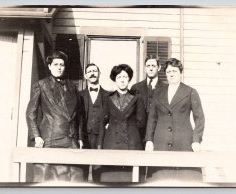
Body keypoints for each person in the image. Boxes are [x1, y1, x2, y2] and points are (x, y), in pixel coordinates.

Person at [26, 50, 84, 182]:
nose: (59, 67)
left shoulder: (72, 86)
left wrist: (80, 137)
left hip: (71, 141)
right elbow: (30, 113)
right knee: (47, 179)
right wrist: (36, 136)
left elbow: (79, 115)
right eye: (56, 64)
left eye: (62, 65)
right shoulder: (41, 85)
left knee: (73, 179)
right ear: (49, 66)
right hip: (50, 139)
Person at [145, 58, 205, 182]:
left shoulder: (190, 92)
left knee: (185, 178)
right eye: (168, 71)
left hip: (183, 142)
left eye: (174, 71)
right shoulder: (158, 93)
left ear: (180, 72)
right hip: (161, 142)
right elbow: (152, 118)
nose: (171, 74)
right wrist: (149, 140)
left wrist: (196, 140)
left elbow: (199, 118)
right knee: (160, 178)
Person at [97, 64, 146, 182]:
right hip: (111, 144)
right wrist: (100, 145)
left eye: (125, 76)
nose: (122, 80)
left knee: (131, 179)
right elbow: (102, 123)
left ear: (129, 79)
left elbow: (141, 122)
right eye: (119, 77)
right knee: (111, 179)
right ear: (115, 79)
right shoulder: (108, 98)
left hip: (132, 144)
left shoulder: (137, 98)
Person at [79, 63, 109, 182]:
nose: (92, 73)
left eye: (95, 71)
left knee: (99, 169)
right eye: (89, 71)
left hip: (101, 136)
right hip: (84, 136)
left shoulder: (108, 95)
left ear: (99, 74)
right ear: (86, 76)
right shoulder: (80, 95)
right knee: (82, 170)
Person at [131, 55, 165, 145]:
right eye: (148, 66)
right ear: (145, 68)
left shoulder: (166, 88)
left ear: (159, 68)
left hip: (159, 132)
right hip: (139, 134)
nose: (150, 69)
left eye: (153, 66)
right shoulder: (136, 88)